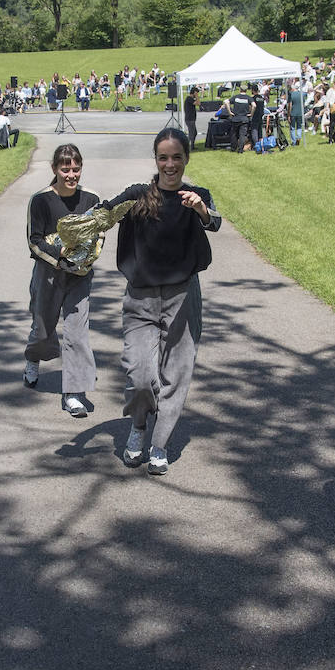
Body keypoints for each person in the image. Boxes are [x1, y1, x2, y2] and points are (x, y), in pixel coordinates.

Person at [97, 128, 221, 475]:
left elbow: (215, 223)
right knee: (140, 375)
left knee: (176, 374)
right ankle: (138, 427)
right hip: (141, 298)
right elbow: (103, 214)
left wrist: (202, 210)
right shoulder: (139, 195)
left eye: (176, 157)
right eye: (163, 157)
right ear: (155, 159)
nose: (170, 164)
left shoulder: (196, 196)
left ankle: (159, 444)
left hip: (183, 297)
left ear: (186, 159)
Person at [23, 144, 101, 418]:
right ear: (54, 169)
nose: (71, 174)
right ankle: (33, 358)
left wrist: (85, 259)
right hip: (48, 275)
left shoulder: (91, 199)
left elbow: (97, 235)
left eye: (75, 169)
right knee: (43, 329)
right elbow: (34, 242)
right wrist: (61, 259)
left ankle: (73, 393)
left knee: (77, 334)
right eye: (65, 169)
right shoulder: (41, 200)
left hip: (79, 277)